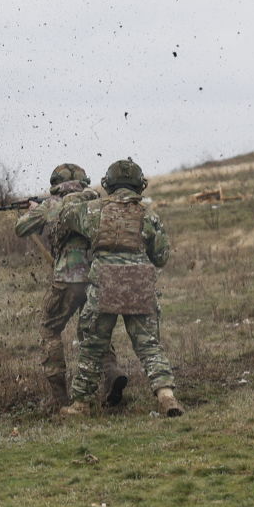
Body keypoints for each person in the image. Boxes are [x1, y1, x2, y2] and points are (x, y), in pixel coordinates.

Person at [58, 159, 184, 417]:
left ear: (108, 184)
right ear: (140, 186)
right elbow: (161, 257)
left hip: (104, 283)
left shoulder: (92, 211)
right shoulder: (149, 215)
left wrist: (85, 194)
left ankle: (80, 404)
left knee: (92, 346)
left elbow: (66, 214)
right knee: (149, 345)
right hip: (138, 283)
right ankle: (166, 396)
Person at [15, 164, 128, 409]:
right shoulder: (97, 200)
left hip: (68, 278)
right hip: (99, 274)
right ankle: (112, 375)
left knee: (49, 329)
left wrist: (37, 211)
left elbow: (21, 228)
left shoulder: (53, 204)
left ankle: (60, 398)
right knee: (94, 331)